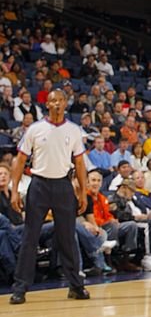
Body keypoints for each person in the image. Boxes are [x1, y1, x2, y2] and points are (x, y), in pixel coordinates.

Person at [8, 88, 90, 304]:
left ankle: (76, 285)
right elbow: (20, 159)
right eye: (53, 100)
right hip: (39, 185)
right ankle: (20, 288)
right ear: (47, 104)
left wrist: (83, 191)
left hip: (63, 185)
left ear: (65, 104)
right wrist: (14, 190)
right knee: (30, 238)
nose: (56, 104)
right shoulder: (35, 129)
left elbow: (80, 163)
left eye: (60, 100)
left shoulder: (73, 131)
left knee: (68, 238)